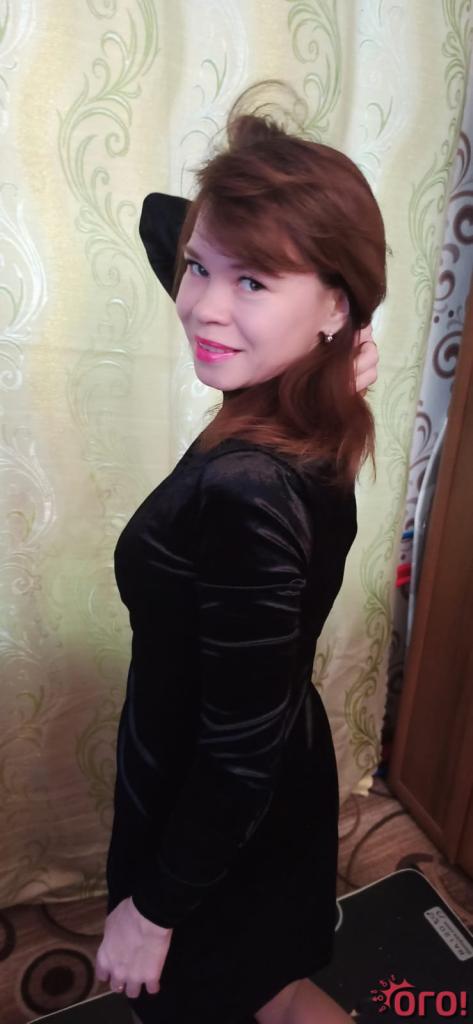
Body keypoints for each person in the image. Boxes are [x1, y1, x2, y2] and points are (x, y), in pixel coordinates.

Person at [95, 79, 385, 1024]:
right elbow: (163, 220)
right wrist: (333, 323)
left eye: (252, 281)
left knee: (215, 999)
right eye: (198, 270)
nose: (202, 309)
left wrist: (154, 911)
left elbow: (233, 754)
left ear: (331, 303)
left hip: (215, 808)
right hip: (276, 773)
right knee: (275, 991)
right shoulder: (314, 406)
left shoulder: (246, 490)